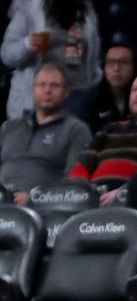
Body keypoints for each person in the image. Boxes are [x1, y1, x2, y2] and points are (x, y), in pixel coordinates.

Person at [1, 0, 101, 120]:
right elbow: (7, 55)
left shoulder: (87, 13)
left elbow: (93, 57)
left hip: (73, 98)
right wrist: (27, 44)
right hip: (34, 100)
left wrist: (90, 87)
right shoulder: (30, 11)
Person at [69, 72, 137, 205]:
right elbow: (81, 167)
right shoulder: (109, 129)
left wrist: (125, 193)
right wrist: (83, 193)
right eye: (134, 89)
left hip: (135, 202)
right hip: (92, 201)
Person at [0, 63, 91, 204]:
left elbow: (76, 182)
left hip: (43, 209)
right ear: (33, 90)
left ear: (66, 91)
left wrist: (35, 197)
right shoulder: (9, 127)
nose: (47, 90)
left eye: (54, 85)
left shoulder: (76, 130)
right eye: (41, 85)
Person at [80, 45, 136, 132]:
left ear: (134, 66)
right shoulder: (90, 98)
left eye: (123, 62)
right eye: (110, 62)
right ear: (104, 67)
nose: (116, 68)